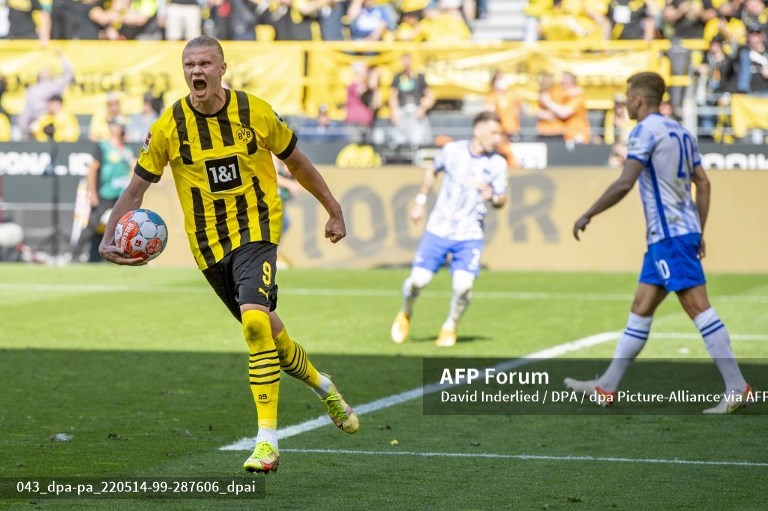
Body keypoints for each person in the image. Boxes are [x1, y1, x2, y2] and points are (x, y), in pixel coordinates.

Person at [98, 35, 358, 473]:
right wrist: (108, 236)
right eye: (189, 64)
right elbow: (136, 189)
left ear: (222, 68)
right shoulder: (169, 127)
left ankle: (267, 442)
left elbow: (298, 163)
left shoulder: (254, 112)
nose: (196, 71)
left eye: (205, 63)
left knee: (255, 323)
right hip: (208, 247)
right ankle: (323, 385)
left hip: (257, 229)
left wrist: (333, 210)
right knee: (269, 334)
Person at [565, 71, 752, 414]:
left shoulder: (644, 131)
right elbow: (704, 184)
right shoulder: (681, 131)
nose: (626, 105)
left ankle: (737, 386)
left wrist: (588, 213)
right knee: (641, 308)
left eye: (627, 99)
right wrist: (699, 231)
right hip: (673, 235)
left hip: (670, 236)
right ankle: (606, 387)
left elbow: (625, 182)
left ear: (638, 100)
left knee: (698, 307)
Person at [390, 111, 508, 348]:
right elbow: (432, 170)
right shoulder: (452, 150)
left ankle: (450, 326)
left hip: (470, 234)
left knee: (463, 287)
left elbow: (501, 198)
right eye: (493, 132)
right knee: (417, 281)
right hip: (439, 228)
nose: (497, 138)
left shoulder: (498, 163)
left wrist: (492, 196)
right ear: (478, 130)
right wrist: (420, 202)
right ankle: (405, 313)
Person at [75, 122, 134, 262]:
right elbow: (92, 170)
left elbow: (134, 165)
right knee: (92, 225)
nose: (119, 128)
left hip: (122, 195)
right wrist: (92, 193)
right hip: (106, 193)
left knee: (123, 227)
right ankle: (76, 253)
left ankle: (121, 256)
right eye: (116, 126)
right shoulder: (103, 147)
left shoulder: (127, 149)